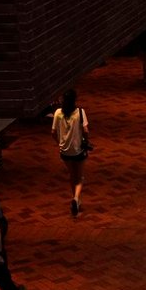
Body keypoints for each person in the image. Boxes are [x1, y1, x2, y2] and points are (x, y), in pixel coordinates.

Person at [52, 88, 90, 217]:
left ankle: (76, 200)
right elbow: (86, 131)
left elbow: (53, 132)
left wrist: (59, 142)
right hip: (78, 149)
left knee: (71, 175)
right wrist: (86, 141)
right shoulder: (80, 112)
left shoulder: (57, 113)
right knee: (79, 178)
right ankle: (76, 198)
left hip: (64, 151)